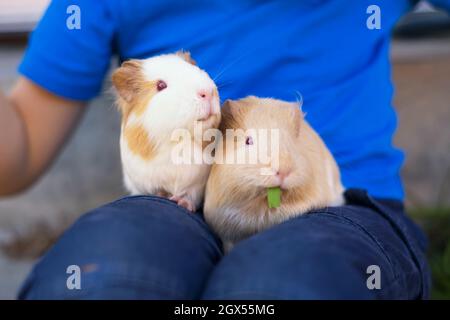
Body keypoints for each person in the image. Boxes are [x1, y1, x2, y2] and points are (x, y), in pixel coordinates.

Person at [2, 0, 447, 299]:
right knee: (104, 274)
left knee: (277, 283)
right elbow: (21, 138)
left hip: (340, 204)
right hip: (173, 199)